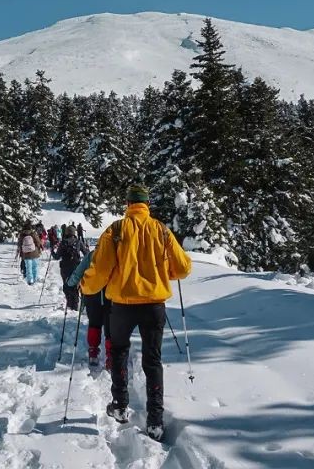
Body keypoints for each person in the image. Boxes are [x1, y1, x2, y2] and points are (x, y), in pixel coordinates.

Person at [79, 184, 192, 442]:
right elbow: (184, 267)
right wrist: (166, 274)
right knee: (152, 360)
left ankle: (119, 405)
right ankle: (155, 421)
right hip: (153, 305)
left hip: (121, 305)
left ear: (128, 204)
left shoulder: (116, 230)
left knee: (118, 351)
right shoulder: (161, 230)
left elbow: (100, 272)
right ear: (147, 204)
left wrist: (85, 285)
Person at [67, 248, 111, 370]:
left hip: (92, 295)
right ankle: (110, 357)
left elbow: (78, 272)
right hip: (111, 295)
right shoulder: (116, 253)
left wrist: (69, 283)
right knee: (111, 326)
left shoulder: (92, 255)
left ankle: (93, 353)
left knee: (94, 323)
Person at [54, 227, 88, 311]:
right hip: (77, 267)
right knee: (76, 285)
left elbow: (57, 257)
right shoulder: (78, 242)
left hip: (65, 267)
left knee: (67, 285)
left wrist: (52, 251)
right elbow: (86, 253)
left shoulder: (63, 243)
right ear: (74, 233)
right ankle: (76, 304)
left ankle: (70, 303)